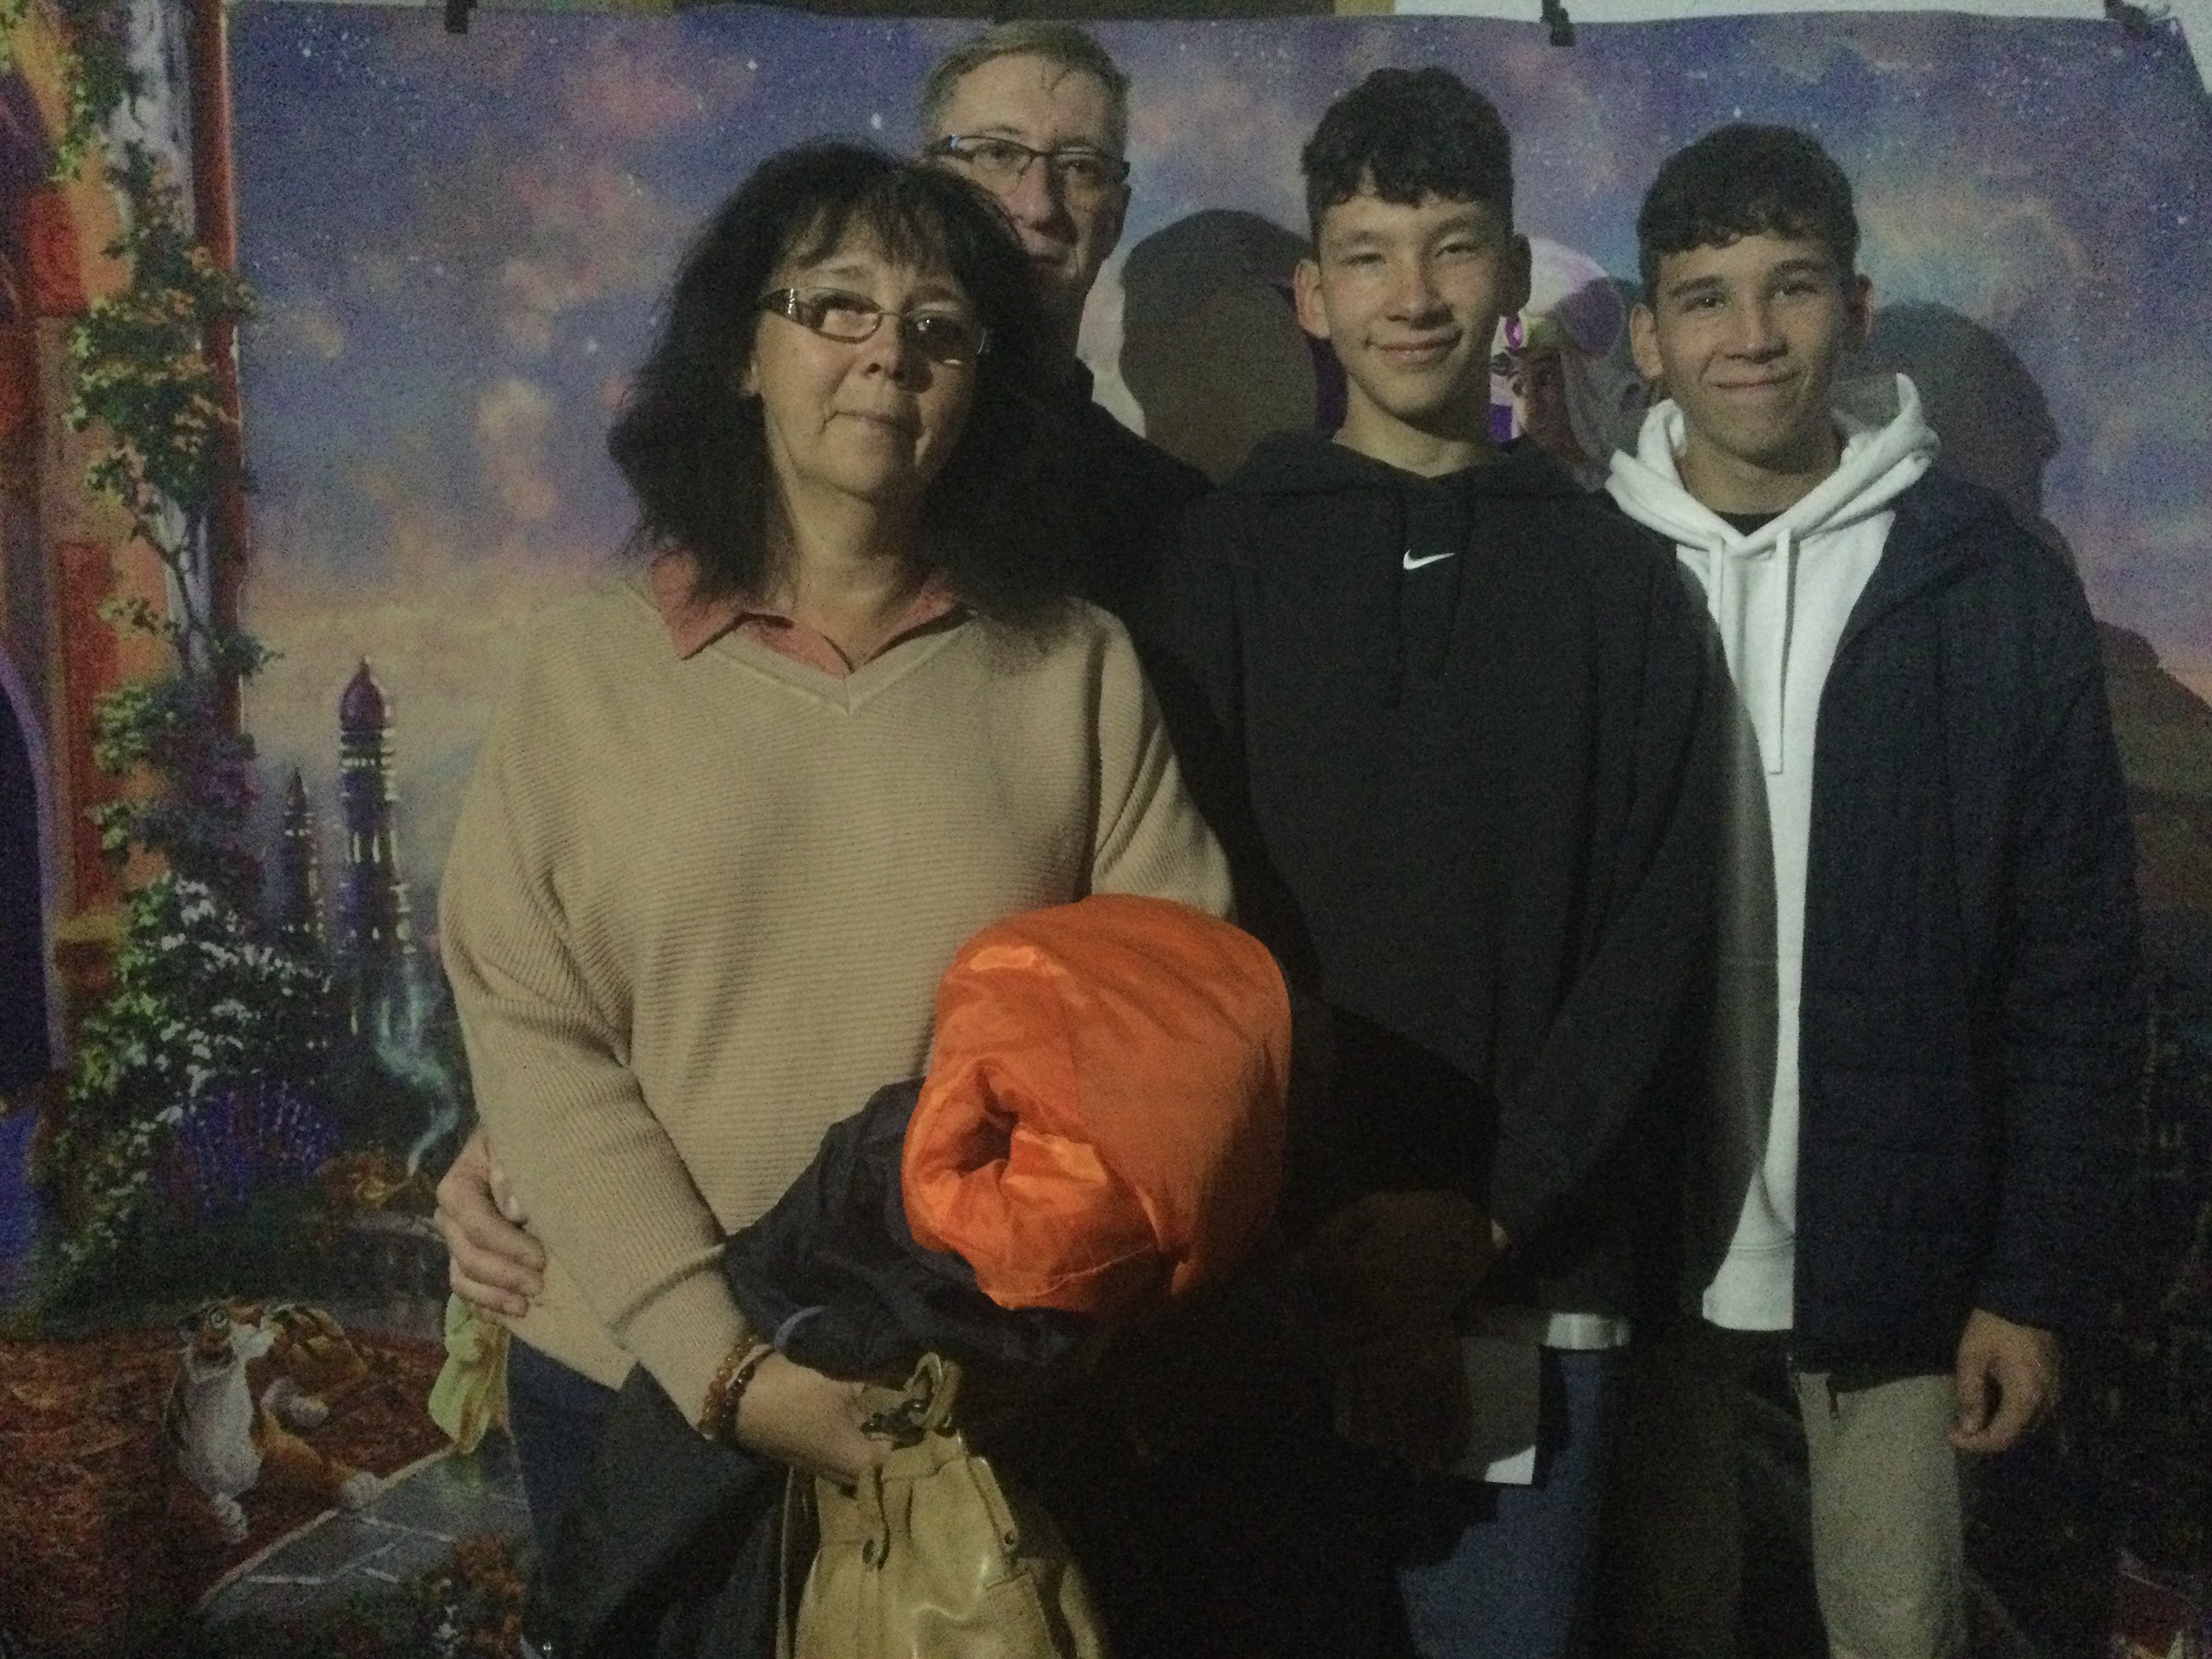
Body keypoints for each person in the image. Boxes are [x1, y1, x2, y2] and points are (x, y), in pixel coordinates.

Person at [436, 141, 1231, 1556]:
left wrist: (1013, 1344)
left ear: (980, 385)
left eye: (939, 328)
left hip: (964, 1405)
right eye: (837, 306)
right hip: (631, 1386)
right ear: (745, 354)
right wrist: (724, 1364)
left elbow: (1169, 1042)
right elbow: (536, 1035)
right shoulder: (583, 674)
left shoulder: (1075, 670)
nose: (888, 355)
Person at [1135, 66, 1720, 1659]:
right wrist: (1324, 1224)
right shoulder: (1212, 569)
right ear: (1311, 295)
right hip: (1267, 1279)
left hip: (1541, 1285)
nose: (1414, 296)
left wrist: (1490, 1219)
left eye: (1454, 248)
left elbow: (1660, 938)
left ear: (1512, 275)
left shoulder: (1623, 590)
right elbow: (1176, 916)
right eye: (1371, 255)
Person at [1595, 124, 2144, 1659]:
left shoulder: (1990, 584)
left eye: (1791, 287)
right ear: (1646, 334)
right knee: (1655, 1624)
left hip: (1899, 1260)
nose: (1751, 335)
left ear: (1854, 307)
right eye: (1705, 296)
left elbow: (2074, 970)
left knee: (1900, 1633)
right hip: (1639, 1248)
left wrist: (2029, 1283)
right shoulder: (1583, 571)